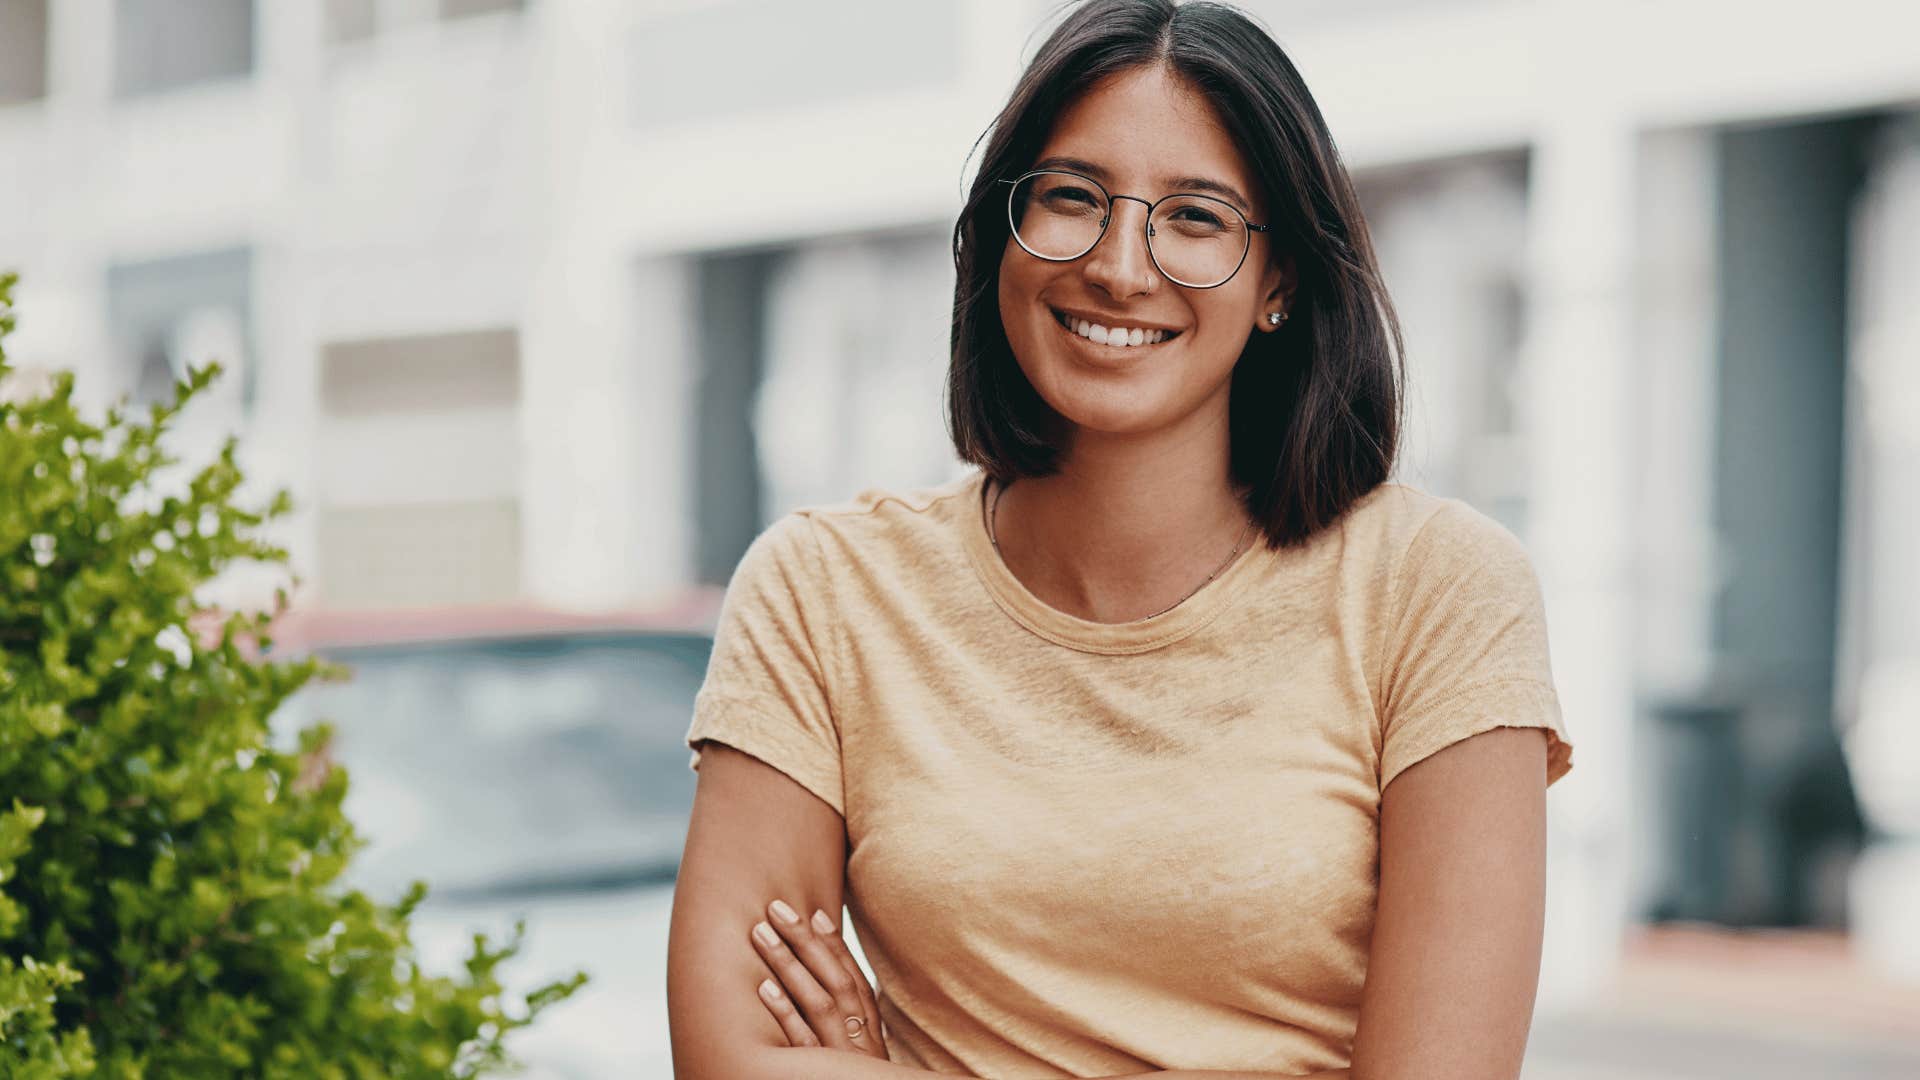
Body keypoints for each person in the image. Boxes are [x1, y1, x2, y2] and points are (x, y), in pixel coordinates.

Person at [665, 1, 1573, 1077]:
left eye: (1195, 217)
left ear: (1279, 280)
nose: (1120, 267)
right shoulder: (823, 590)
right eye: (1070, 197)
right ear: (1001, 231)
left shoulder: (1438, 589)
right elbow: (731, 1058)